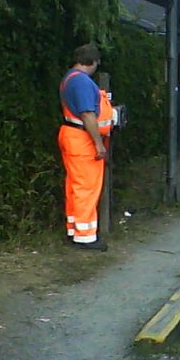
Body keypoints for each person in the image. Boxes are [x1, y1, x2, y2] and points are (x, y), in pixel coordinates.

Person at [58, 44, 114, 250]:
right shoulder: (82, 82)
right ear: (92, 61)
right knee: (87, 187)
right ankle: (86, 237)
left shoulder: (69, 78)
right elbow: (88, 114)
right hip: (83, 139)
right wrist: (99, 145)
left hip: (72, 135)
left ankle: (75, 229)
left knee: (75, 185)